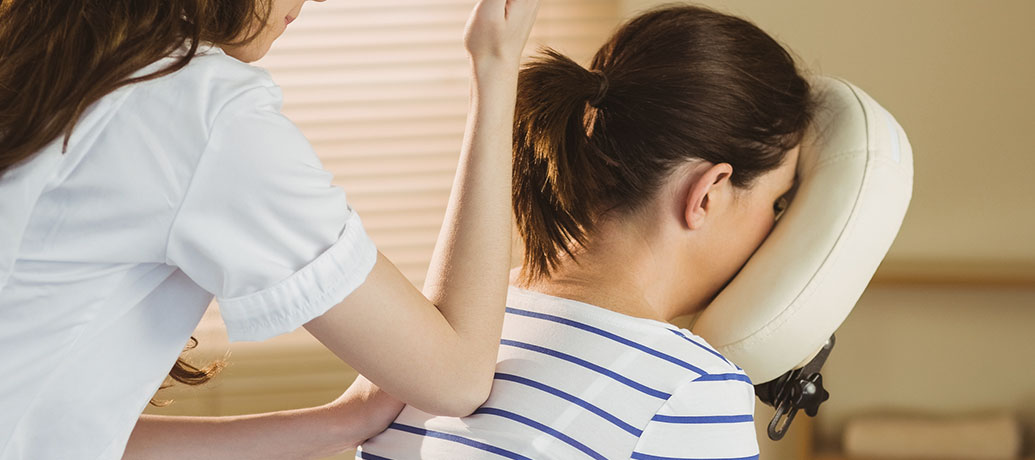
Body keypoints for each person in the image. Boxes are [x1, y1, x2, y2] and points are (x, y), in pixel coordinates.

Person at [0, 0, 539, 458]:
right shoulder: (201, 113)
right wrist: (494, 66)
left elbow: (57, 431)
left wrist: (342, 421)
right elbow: (458, 379)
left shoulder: (44, 62)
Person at [358, 4, 813, 459]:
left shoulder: (446, 322)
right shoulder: (692, 388)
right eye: (776, 203)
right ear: (708, 194)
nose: (776, 228)